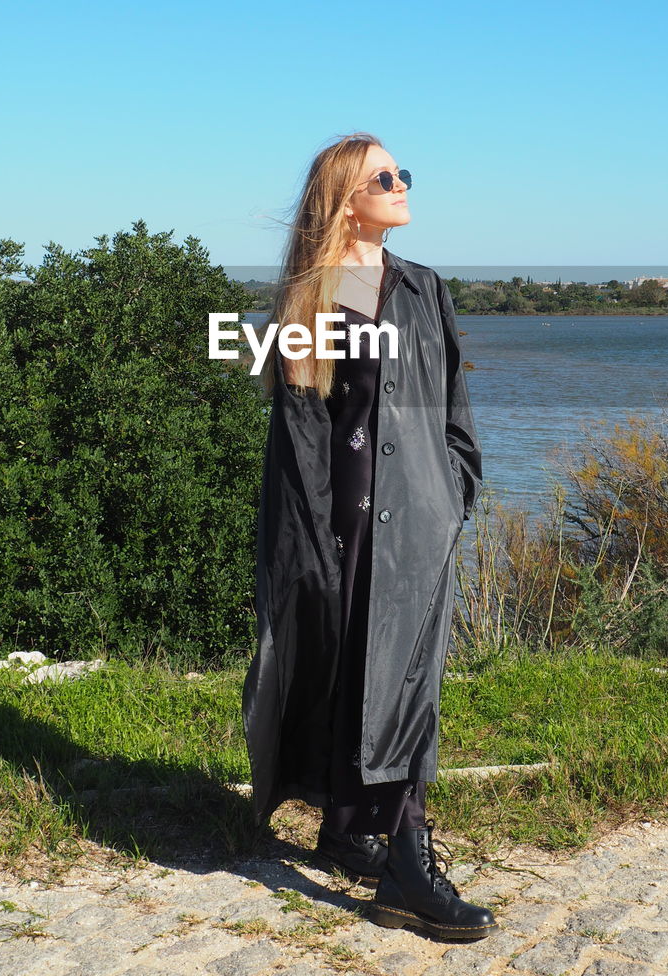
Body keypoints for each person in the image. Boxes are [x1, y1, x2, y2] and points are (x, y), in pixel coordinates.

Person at [242, 132, 496, 941]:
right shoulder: (310, 297)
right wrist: (313, 540)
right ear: (345, 200)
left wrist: (456, 487)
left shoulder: (424, 289)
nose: (400, 184)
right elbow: (303, 431)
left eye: (400, 172)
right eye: (382, 177)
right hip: (345, 522)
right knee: (361, 674)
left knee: (410, 682)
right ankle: (399, 861)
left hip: (422, 518)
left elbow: (452, 402)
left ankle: (369, 834)